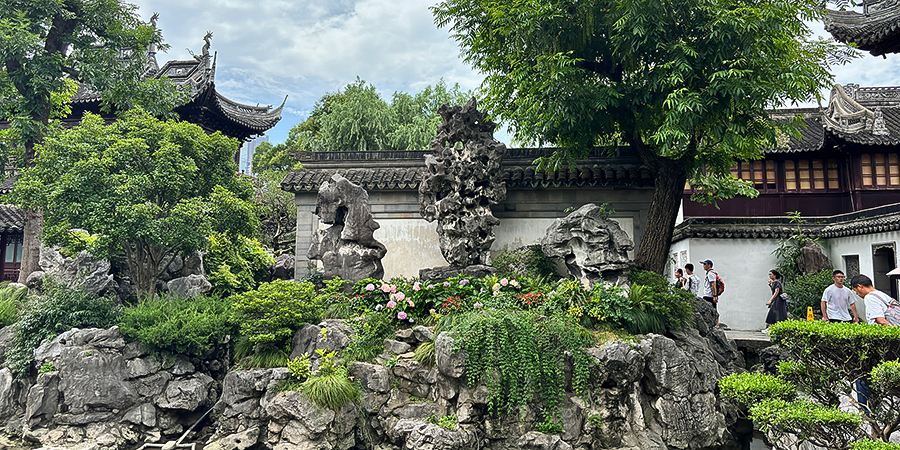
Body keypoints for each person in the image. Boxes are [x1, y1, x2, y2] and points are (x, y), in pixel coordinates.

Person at [848, 273, 895, 417]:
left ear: (860, 286)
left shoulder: (870, 297)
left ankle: (867, 411)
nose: (857, 293)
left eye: (856, 290)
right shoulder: (883, 295)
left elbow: (881, 321)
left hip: (883, 344)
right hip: (890, 343)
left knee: (860, 374)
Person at [700, 259, 720, 327]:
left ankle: (716, 325)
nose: (703, 266)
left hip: (710, 295)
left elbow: (713, 285)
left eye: (705, 264)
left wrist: (715, 296)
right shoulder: (709, 273)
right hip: (708, 295)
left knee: (713, 310)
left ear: (709, 265)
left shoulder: (711, 274)